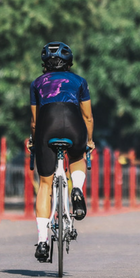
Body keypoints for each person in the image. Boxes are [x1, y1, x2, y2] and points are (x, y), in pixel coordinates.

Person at [28, 42, 94, 261]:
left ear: (44, 63)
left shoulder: (36, 83)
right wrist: (90, 140)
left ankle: (43, 242)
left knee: (45, 185)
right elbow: (87, 117)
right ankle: (77, 189)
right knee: (77, 155)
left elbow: (35, 121)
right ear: (69, 62)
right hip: (74, 127)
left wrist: (33, 140)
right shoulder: (79, 82)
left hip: (46, 130)